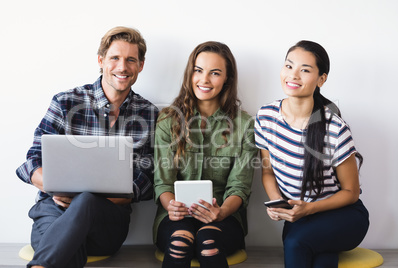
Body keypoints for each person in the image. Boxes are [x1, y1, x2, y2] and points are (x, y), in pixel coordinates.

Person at [16, 26, 158, 268]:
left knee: (85, 202)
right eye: (115, 58)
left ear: (140, 66)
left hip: (106, 223)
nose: (122, 67)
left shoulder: (150, 114)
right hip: (54, 210)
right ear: (101, 60)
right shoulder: (65, 102)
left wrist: (87, 198)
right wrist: (60, 189)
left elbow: (148, 182)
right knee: (67, 247)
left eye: (131, 60)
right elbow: (31, 163)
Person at [254, 40, 369, 268]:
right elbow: (268, 172)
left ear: (321, 79)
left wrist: (309, 208)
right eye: (289, 66)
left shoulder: (335, 129)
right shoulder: (266, 116)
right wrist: (277, 204)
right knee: (320, 259)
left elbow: (351, 192)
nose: (293, 75)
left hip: (343, 216)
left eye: (304, 70)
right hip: (299, 216)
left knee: (296, 243)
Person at [153, 41, 258, 268]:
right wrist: (170, 205)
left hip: (225, 218)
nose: (204, 80)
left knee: (207, 241)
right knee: (181, 241)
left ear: (227, 79)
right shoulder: (168, 121)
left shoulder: (245, 125)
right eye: (198, 71)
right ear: (190, 74)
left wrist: (220, 212)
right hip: (175, 218)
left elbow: (240, 187)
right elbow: (162, 182)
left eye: (215, 73)